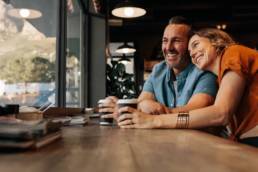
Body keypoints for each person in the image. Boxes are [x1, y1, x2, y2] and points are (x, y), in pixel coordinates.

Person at [117, 28, 258, 147]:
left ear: (216, 41)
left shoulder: (232, 53)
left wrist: (154, 121)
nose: (192, 53)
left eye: (196, 45)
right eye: (190, 51)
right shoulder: (221, 76)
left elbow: (221, 113)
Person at [100, 16, 217, 118]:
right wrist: (122, 105)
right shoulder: (158, 70)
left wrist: (154, 111)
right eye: (165, 41)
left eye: (176, 40)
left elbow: (195, 112)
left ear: (190, 45)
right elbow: (143, 101)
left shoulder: (204, 71)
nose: (169, 47)